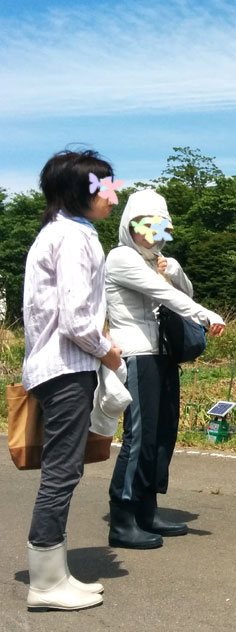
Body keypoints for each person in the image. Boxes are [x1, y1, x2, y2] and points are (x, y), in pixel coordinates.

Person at [22, 150, 124, 610]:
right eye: (104, 186)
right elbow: (76, 318)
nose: (112, 194)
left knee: (64, 469)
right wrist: (108, 351)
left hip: (56, 367)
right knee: (62, 472)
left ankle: (56, 573)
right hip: (66, 369)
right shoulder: (74, 238)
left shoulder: (60, 232)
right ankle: (44, 583)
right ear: (77, 192)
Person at [105, 189, 225, 549]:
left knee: (162, 436)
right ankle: (122, 518)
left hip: (163, 354)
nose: (151, 231)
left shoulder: (156, 260)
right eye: (144, 223)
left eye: (159, 224)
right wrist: (205, 315)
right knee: (139, 438)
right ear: (130, 225)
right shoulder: (121, 258)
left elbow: (181, 288)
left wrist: (173, 268)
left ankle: (148, 509)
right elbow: (167, 297)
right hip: (137, 355)